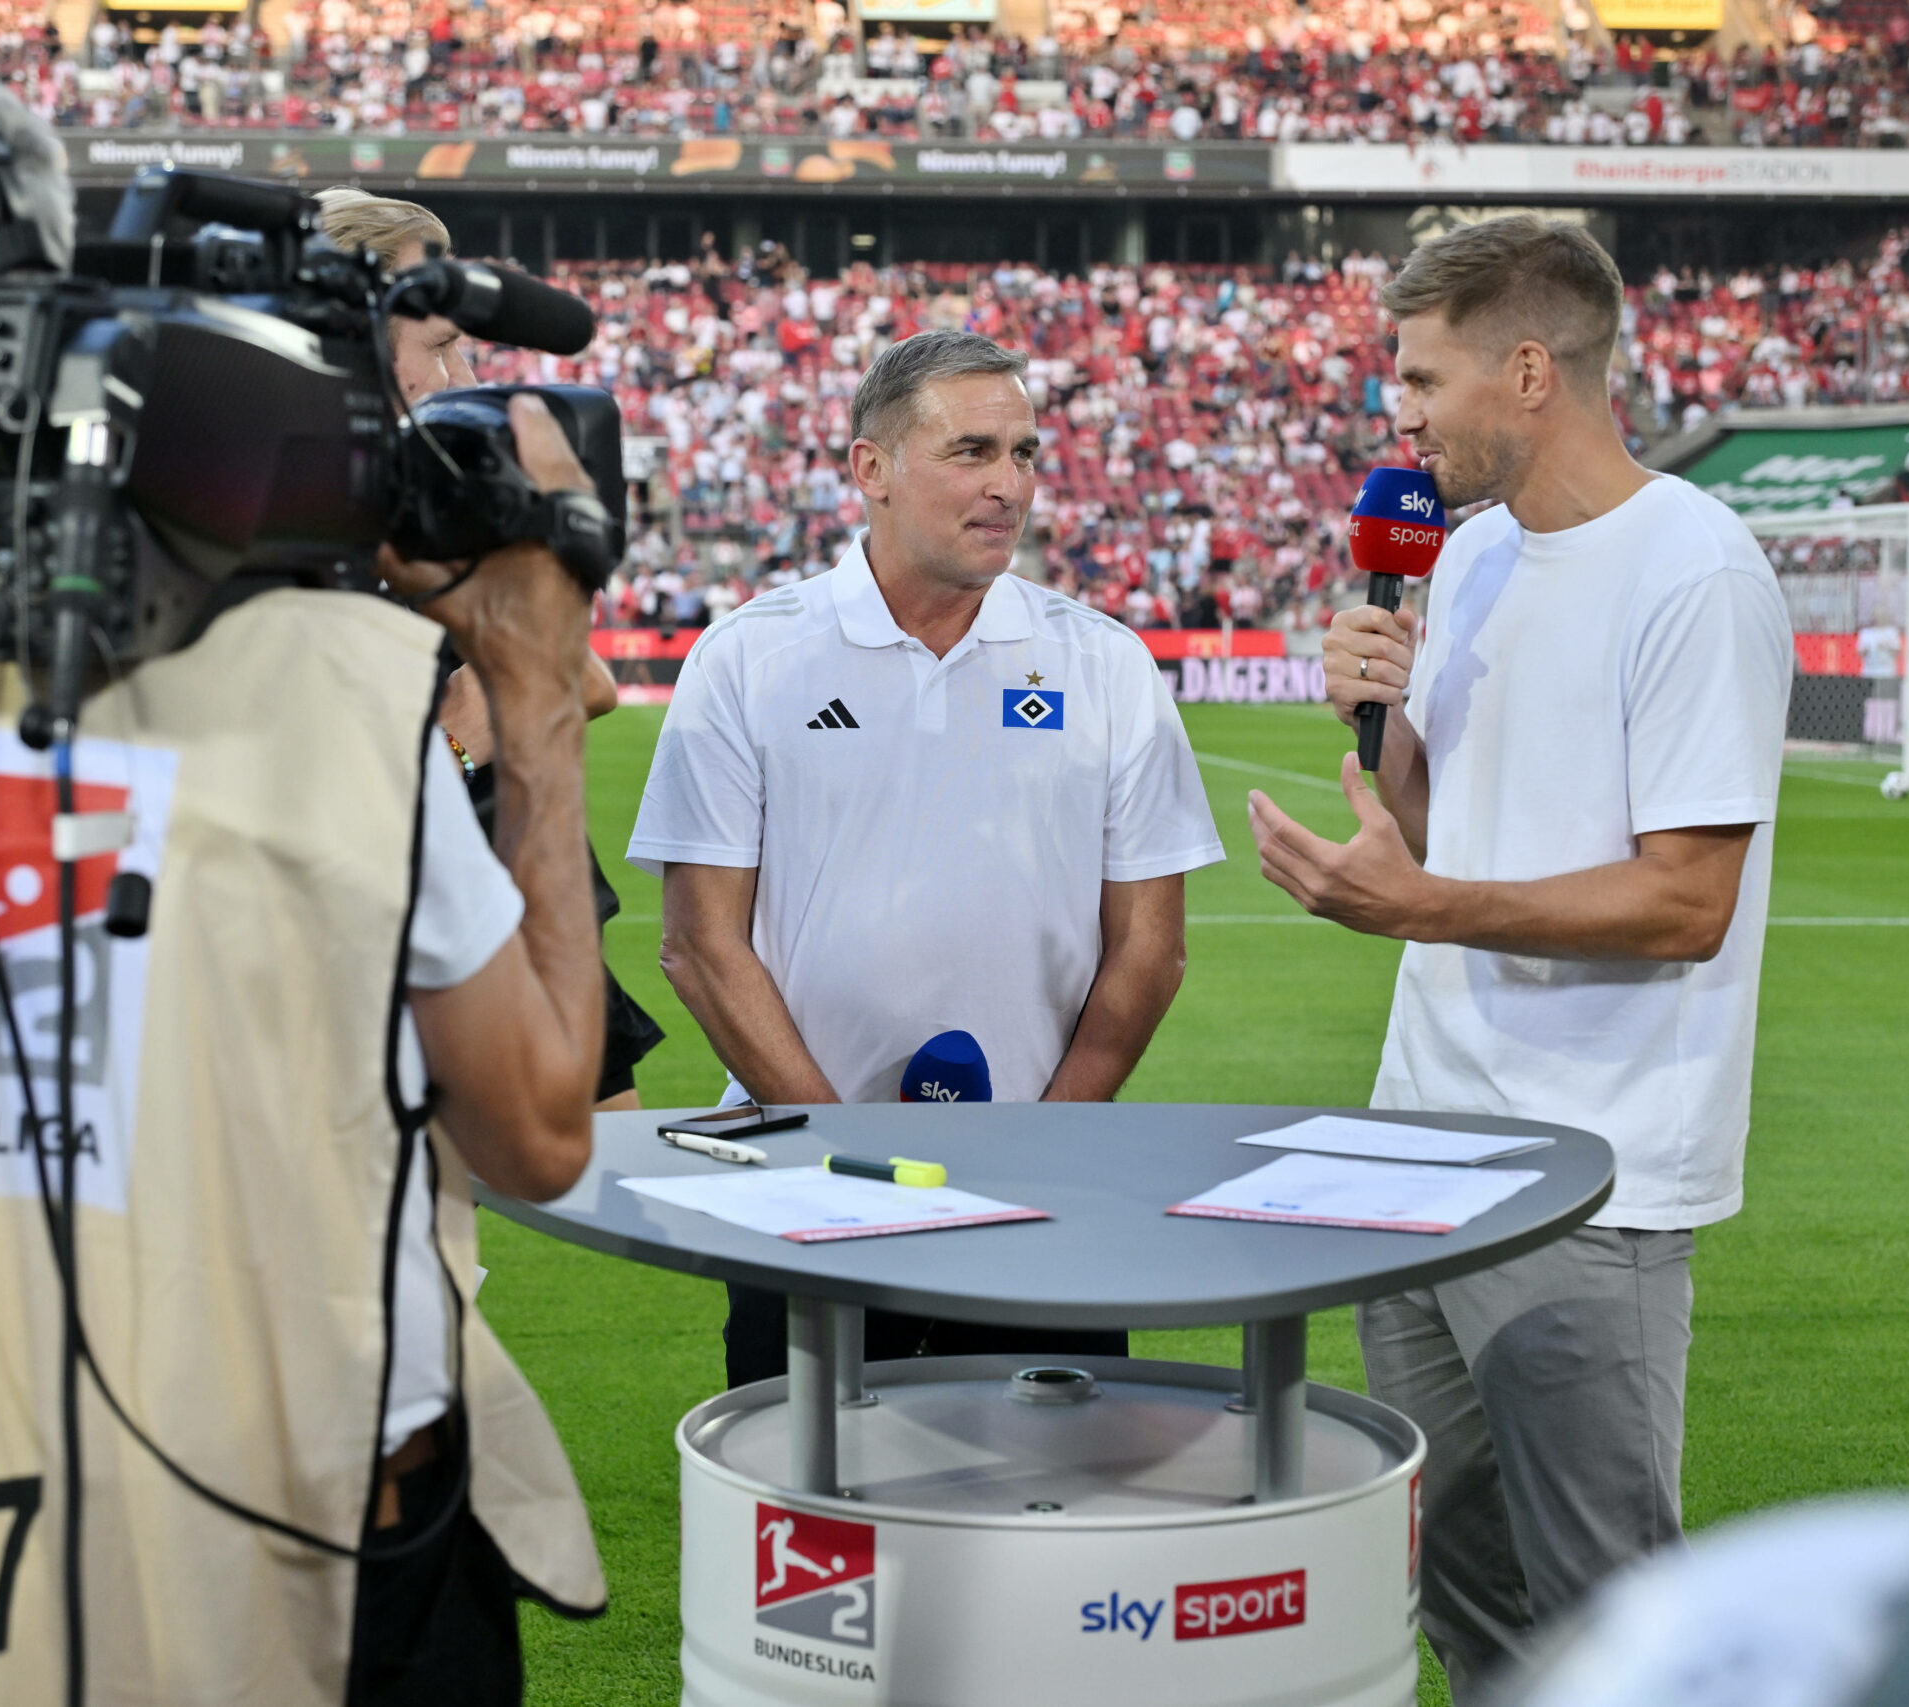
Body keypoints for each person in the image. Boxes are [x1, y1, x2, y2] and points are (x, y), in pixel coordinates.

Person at [0, 63, 607, 1705]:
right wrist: (528, 691)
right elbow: (538, 1127)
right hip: (311, 1571)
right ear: (46, 311)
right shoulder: (327, 691)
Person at [1249, 216, 1791, 1702]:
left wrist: (1417, 910)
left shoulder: (1695, 573)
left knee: (1612, 1599)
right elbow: (1450, 834)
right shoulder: (1471, 552)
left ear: (1532, 369)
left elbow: (1685, 902)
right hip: (1423, 1143)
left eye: (1422, 378)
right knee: (1453, 1576)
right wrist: (1392, 732)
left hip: (1591, 1169)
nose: (1399, 414)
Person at [629, 329, 1224, 1387]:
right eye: (973, 452)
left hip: (1050, 1188)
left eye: (1027, 454)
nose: (1010, 486)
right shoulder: (749, 658)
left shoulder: (1105, 664)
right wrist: (842, 1153)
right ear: (871, 470)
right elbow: (698, 944)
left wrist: (1043, 1145)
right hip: (801, 1183)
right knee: (815, 1510)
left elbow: (1149, 947)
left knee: (1047, 1512)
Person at [314, 187, 664, 1106]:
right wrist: (470, 732)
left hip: (486, 859)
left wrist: (465, 730)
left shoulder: (410, 514)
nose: (466, 378)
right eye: (438, 347)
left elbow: (579, 684)